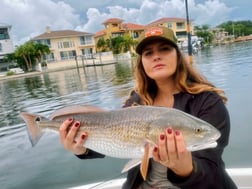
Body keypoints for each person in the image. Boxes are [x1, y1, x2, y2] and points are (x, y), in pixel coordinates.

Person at [59, 26, 237, 189]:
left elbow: (210, 169)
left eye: (164, 49)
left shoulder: (208, 102)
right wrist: (83, 149)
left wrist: (186, 169)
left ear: (178, 55)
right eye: (148, 53)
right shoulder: (135, 102)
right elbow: (112, 139)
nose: (156, 56)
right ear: (142, 62)